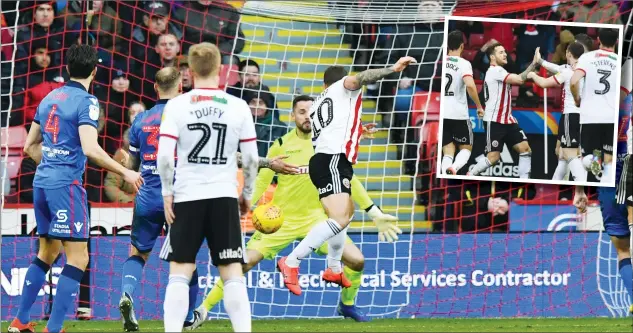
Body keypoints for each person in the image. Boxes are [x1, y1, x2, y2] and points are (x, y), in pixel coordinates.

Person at [196, 95, 399, 322]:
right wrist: (239, 208)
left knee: (357, 261)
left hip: (319, 221)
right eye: (302, 112)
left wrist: (373, 212)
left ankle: (347, 305)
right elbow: (261, 182)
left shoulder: (329, 145)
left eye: (311, 112)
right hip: (280, 219)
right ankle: (203, 309)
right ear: (292, 116)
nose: (307, 117)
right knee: (244, 263)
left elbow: (349, 181)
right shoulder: (281, 146)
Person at [8, 44, 143, 333]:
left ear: (68, 68)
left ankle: (19, 322)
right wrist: (126, 172)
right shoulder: (88, 101)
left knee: (47, 252)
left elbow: (31, 145)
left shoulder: (49, 98)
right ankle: (54, 328)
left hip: (42, 182)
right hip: (65, 186)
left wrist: (54, 160)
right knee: (79, 257)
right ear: (95, 70)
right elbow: (91, 149)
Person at [277, 57, 414, 296]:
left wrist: (359, 130)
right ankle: (291, 262)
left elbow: (334, 126)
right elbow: (360, 78)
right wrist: (392, 69)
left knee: (345, 214)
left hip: (330, 160)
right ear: (341, 79)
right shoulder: (343, 86)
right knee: (340, 218)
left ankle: (332, 267)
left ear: (323, 84)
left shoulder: (319, 101)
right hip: (331, 160)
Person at [157, 42, 257, 332]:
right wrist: (246, 194)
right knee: (232, 273)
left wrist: (167, 192)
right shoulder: (238, 106)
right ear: (221, 70)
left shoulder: (176, 105)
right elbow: (250, 158)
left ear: (188, 71)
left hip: (187, 197)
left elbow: (165, 156)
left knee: (180, 271)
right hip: (224, 196)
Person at [575, 55, 633, 316]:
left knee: (622, 248)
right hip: (620, 168)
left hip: (612, 171)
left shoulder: (605, 113)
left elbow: (590, 159)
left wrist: (580, 188)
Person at [468, 43, 536, 179]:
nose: (505, 54)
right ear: (492, 57)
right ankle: (471, 174)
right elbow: (519, 80)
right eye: (501, 52)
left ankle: (524, 182)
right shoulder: (495, 71)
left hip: (508, 120)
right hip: (494, 121)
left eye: (505, 51)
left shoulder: (501, 70)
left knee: (525, 149)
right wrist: (534, 64)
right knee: (493, 158)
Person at [528, 42, 586, 181]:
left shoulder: (568, 72)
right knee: (563, 156)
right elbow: (558, 68)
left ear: (568, 54)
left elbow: (543, 83)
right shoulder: (583, 68)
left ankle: (581, 182)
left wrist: (532, 75)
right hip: (584, 116)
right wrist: (541, 61)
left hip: (570, 116)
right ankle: (555, 187)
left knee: (568, 154)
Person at [571, 28, 619, 184]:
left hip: (590, 116)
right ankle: (604, 180)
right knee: (609, 160)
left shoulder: (587, 57)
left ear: (598, 40)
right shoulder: (620, 61)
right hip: (611, 117)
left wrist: (577, 99)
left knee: (587, 159)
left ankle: (595, 165)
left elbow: (573, 81)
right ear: (617, 42)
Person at [440, 30, 484, 175]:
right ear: (462, 46)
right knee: (466, 148)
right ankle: (454, 168)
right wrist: (478, 106)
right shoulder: (464, 64)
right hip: (458, 114)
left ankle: (446, 170)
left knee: (447, 150)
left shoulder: (440, 62)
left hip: (443, 113)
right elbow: (470, 85)